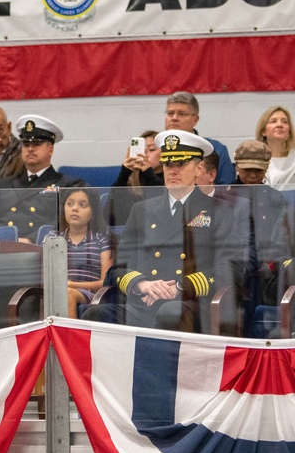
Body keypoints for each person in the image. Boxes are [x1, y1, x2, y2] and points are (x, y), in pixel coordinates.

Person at [98, 130, 242, 332]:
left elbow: (231, 268)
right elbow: (117, 268)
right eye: (168, 164)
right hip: (145, 301)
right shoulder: (142, 210)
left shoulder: (219, 211)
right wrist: (142, 284)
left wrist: (180, 287)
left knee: (170, 313)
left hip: (191, 303)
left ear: (199, 167)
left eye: (180, 164)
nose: (172, 171)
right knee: (95, 314)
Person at [0, 115, 83, 239]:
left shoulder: (68, 185)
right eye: (26, 144)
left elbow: (68, 222)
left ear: (50, 150)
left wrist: (32, 240)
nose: (30, 149)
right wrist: (1, 242)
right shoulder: (2, 185)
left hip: (43, 250)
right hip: (3, 250)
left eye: (36, 144)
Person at [50, 188, 112, 318]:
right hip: (56, 292)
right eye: (70, 204)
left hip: (91, 294)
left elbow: (105, 282)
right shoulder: (53, 238)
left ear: (92, 212)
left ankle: (70, 338)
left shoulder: (101, 239)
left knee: (68, 294)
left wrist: (73, 285)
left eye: (82, 205)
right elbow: (46, 276)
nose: (74, 209)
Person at [162, 91, 234, 184]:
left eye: (181, 114)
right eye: (170, 113)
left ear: (195, 120)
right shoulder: (154, 149)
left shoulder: (214, 149)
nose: (174, 118)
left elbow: (226, 189)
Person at [105, 130, 164, 227]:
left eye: (152, 149)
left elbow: (161, 209)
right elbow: (109, 217)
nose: (145, 154)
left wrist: (148, 173)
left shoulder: (171, 178)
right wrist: (123, 175)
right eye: (142, 150)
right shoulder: (130, 181)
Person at [256, 106, 295, 188]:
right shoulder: (253, 159)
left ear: (289, 131)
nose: (280, 125)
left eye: (285, 122)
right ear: (263, 131)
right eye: (273, 121)